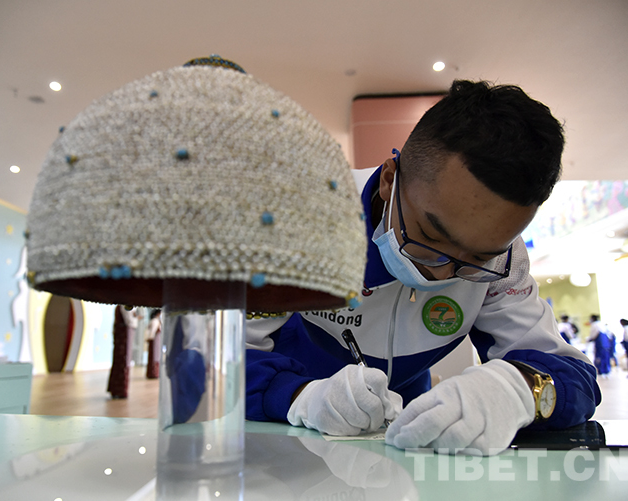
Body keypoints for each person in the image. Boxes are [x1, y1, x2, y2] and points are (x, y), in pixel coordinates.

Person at [245, 80, 601, 456]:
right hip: (277, 445)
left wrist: (519, 389)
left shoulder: (502, 258)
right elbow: (222, 358)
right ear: (389, 180)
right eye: (430, 235)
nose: (443, 274)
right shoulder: (299, 219)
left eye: (476, 259)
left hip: (404, 448)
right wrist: (299, 396)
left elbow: (575, 378)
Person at [107, 305, 140, 398]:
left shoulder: (120, 307)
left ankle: (116, 389)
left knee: (121, 361)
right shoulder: (124, 307)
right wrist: (136, 318)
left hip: (122, 336)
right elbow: (130, 321)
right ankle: (119, 390)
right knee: (123, 361)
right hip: (124, 336)